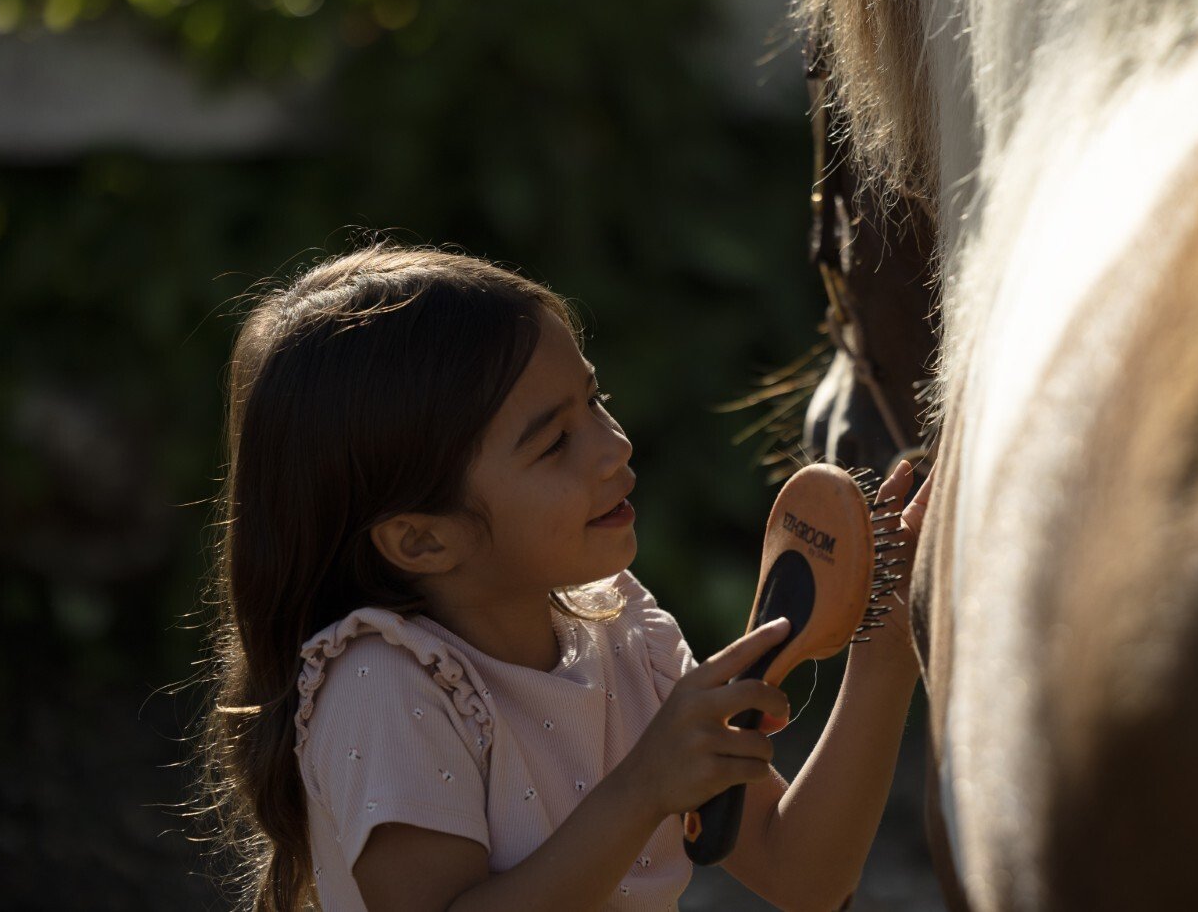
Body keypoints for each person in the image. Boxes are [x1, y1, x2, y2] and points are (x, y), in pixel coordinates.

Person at [194, 242, 931, 911]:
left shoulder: (624, 636)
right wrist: (643, 788)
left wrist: (888, 647)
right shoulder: (387, 687)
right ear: (422, 537)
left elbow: (804, 875)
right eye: (554, 443)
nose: (615, 444)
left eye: (596, 400)